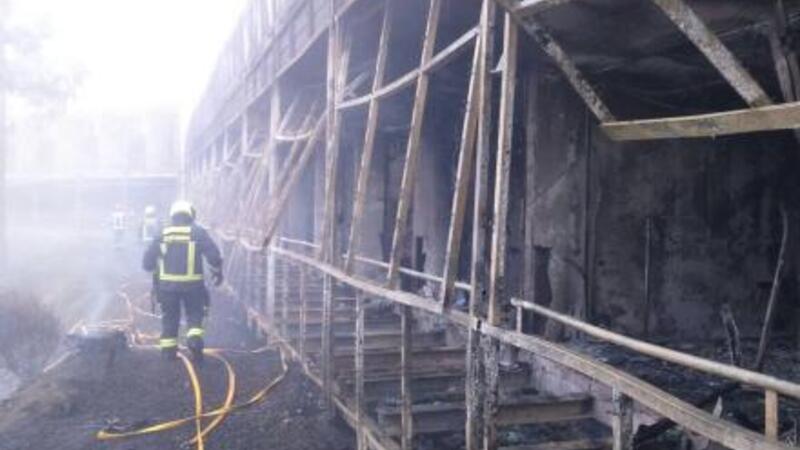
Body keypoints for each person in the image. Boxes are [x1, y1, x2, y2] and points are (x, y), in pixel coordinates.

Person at [142, 200, 223, 363]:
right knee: (195, 314)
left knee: (170, 317)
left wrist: (154, 268)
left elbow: (148, 262)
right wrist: (217, 272)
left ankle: (168, 352)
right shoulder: (197, 233)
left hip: (166, 287)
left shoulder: (163, 233)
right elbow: (214, 257)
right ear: (190, 215)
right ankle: (194, 340)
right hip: (193, 286)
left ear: (173, 215)